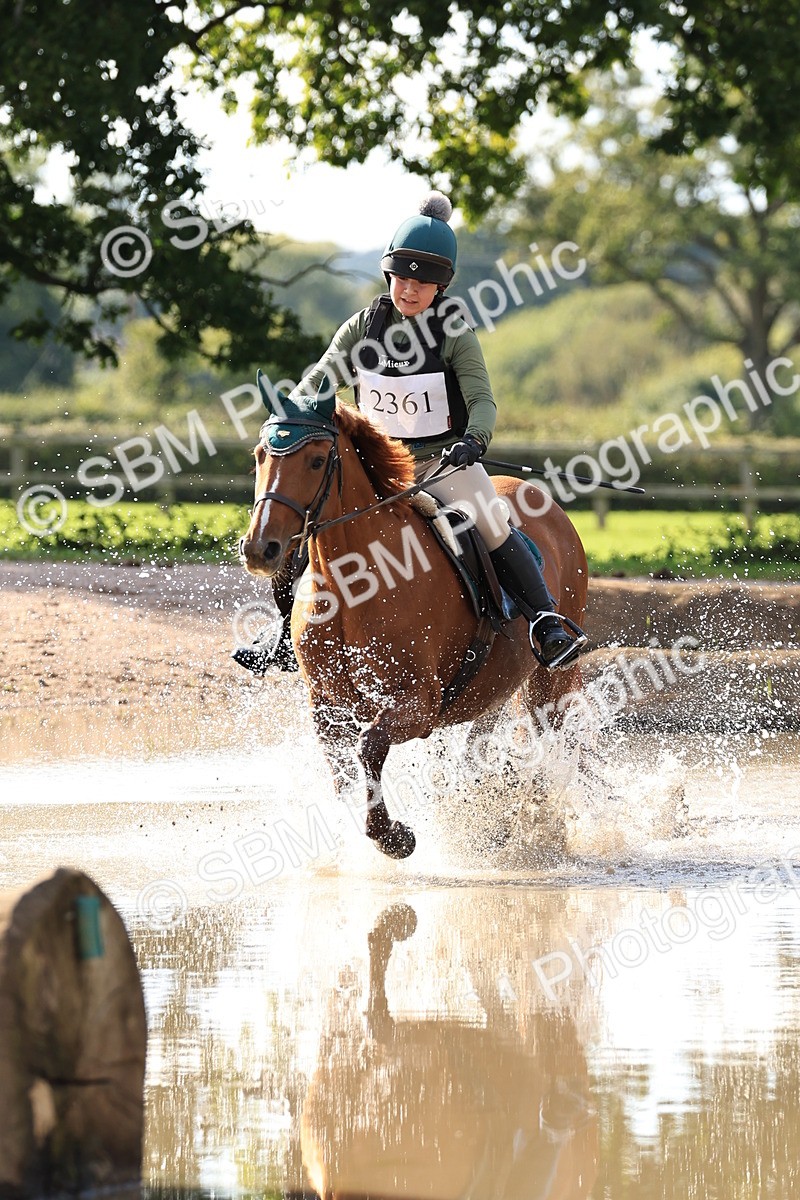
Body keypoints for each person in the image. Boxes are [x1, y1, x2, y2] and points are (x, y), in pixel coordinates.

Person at [234, 192, 584, 675]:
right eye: (402, 278)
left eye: (424, 282)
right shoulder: (363, 328)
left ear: (442, 287)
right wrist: (293, 411)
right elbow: (320, 378)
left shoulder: (454, 333)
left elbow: (482, 400)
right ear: (388, 276)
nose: (411, 290)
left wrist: (474, 440)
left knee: (490, 519)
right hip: (374, 468)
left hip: (441, 463)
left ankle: (545, 620)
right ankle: (281, 628)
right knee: (308, 523)